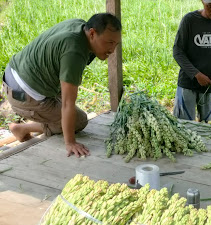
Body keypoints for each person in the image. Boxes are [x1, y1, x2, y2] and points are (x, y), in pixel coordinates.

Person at [2, 13, 122, 157]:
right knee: (79, 120)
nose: (113, 49)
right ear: (92, 33)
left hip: (16, 74)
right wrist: (70, 142)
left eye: (116, 44)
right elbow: (67, 104)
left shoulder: (79, 26)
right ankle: (23, 128)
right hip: (23, 92)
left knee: (68, 111)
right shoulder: (74, 51)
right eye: (109, 43)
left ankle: (25, 127)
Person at [173, 0, 211, 123]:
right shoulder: (190, 20)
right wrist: (196, 75)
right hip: (188, 84)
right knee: (185, 127)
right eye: (210, 7)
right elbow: (177, 51)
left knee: (208, 127)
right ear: (202, 2)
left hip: (209, 84)